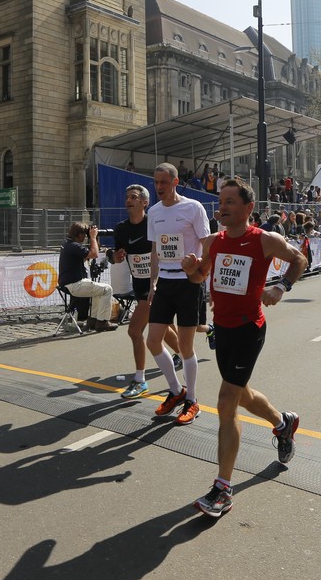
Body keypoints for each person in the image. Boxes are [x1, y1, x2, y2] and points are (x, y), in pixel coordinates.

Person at [180, 177, 307, 519]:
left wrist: (281, 286)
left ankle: (222, 489)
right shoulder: (213, 241)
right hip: (222, 329)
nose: (221, 207)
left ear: (248, 207)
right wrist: (192, 271)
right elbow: (200, 276)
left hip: (249, 329)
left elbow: (299, 259)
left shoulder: (265, 239)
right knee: (242, 395)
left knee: (226, 402)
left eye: (230, 202)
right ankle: (282, 422)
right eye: (220, 201)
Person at [146, 162, 213, 426]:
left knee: (185, 347)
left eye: (163, 182)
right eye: (156, 182)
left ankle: (192, 399)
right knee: (153, 341)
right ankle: (176, 390)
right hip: (164, 282)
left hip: (188, 283)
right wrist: (152, 283)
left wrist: (202, 272)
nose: (159, 187)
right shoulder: (154, 212)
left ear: (175, 182)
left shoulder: (193, 207)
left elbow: (207, 244)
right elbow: (155, 252)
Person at [112, 185, 181, 398]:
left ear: (144, 203)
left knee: (134, 331)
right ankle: (185, 354)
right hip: (139, 285)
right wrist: (116, 257)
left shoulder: (153, 224)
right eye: (127, 197)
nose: (128, 200)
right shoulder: (121, 228)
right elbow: (115, 256)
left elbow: (167, 250)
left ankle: (140, 380)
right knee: (162, 328)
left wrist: (158, 280)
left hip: (157, 285)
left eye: (133, 197)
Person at [57, 222, 116, 332]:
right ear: (79, 234)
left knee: (98, 291)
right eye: (84, 234)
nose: (85, 237)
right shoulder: (74, 246)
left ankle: (93, 320)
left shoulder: (67, 243)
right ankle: (102, 322)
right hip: (74, 284)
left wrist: (94, 239)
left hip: (68, 283)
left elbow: (88, 254)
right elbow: (94, 254)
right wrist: (93, 237)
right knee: (107, 289)